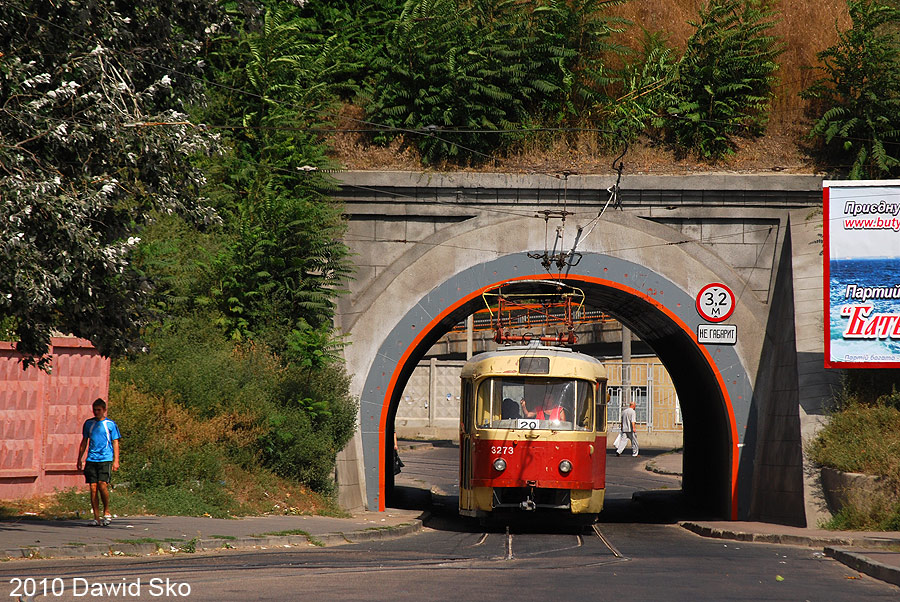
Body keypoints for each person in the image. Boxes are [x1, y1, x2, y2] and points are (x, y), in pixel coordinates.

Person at [76, 398, 121, 526]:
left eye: (99, 410)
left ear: (104, 410)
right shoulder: (89, 424)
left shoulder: (110, 424)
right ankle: (96, 517)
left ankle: (106, 511)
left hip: (105, 459)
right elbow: (84, 441)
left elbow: (115, 442)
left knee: (102, 485)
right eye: (94, 410)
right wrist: (79, 458)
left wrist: (116, 461)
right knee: (93, 487)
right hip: (91, 459)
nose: (96, 412)